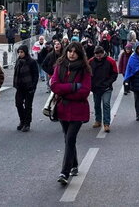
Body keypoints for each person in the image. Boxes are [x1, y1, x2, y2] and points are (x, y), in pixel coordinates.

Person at [50, 41, 92, 185]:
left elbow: (85, 91)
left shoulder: (84, 69)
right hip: (62, 109)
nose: (71, 54)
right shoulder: (60, 65)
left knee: (70, 139)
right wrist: (73, 87)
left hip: (78, 110)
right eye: (69, 51)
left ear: (79, 54)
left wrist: (65, 91)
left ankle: (64, 172)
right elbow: (54, 85)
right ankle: (74, 164)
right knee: (68, 138)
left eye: (74, 52)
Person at [89, 46, 118, 132]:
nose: (98, 57)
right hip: (95, 87)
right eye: (96, 56)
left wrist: (108, 83)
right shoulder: (91, 61)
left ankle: (106, 123)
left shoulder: (110, 61)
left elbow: (115, 73)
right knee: (97, 104)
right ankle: (98, 120)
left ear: (103, 53)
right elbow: (88, 73)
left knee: (106, 104)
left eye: (100, 55)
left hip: (106, 87)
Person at [13, 45, 39, 132]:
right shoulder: (18, 61)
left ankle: (27, 123)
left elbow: (35, 74)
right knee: (18, 104)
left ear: (25, 52)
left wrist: (33, 86)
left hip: (29, 87)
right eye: (19, 52)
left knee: (28, 106)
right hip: (20, 87)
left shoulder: (31, 62)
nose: (20, 54)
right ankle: (22, 120)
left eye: (22, 52)